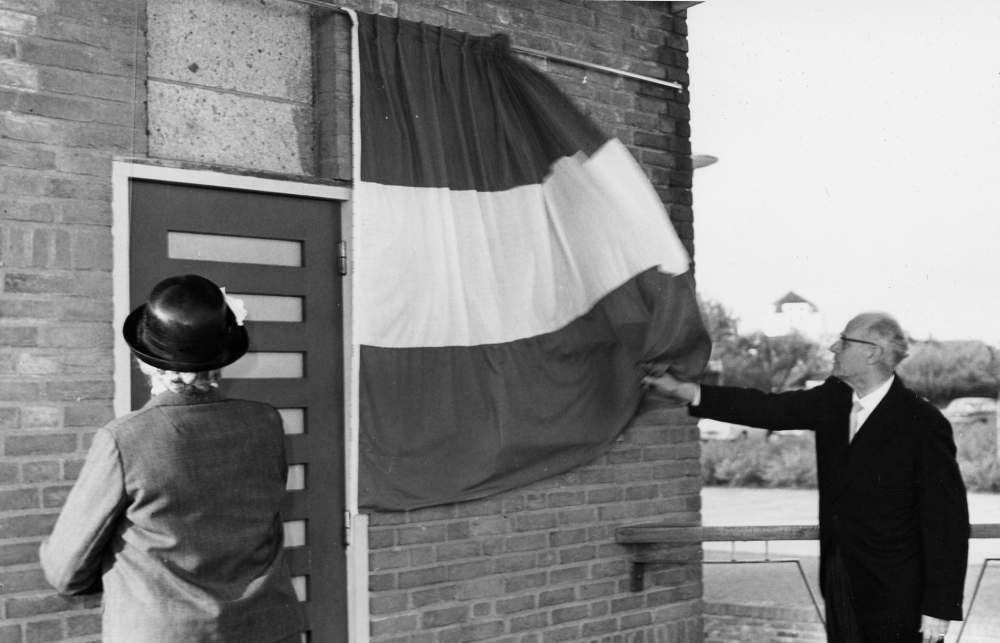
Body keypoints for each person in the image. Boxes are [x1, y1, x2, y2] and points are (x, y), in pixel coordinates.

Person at [644, 312, 969, 643]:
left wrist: (939, 607)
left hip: (900, 592)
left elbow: (946, 522)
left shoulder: (922, 422)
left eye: (843, 341)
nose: (832, 348)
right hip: (840, 575)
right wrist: (687, 391)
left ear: (872, 352)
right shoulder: (834, 399)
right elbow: (766, 408)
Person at [40, 274, 303, 643]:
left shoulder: (125, 439)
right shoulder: (266, 422)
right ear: (220, 361)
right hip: (266, 630)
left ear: (145, 363)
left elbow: (65, 571)